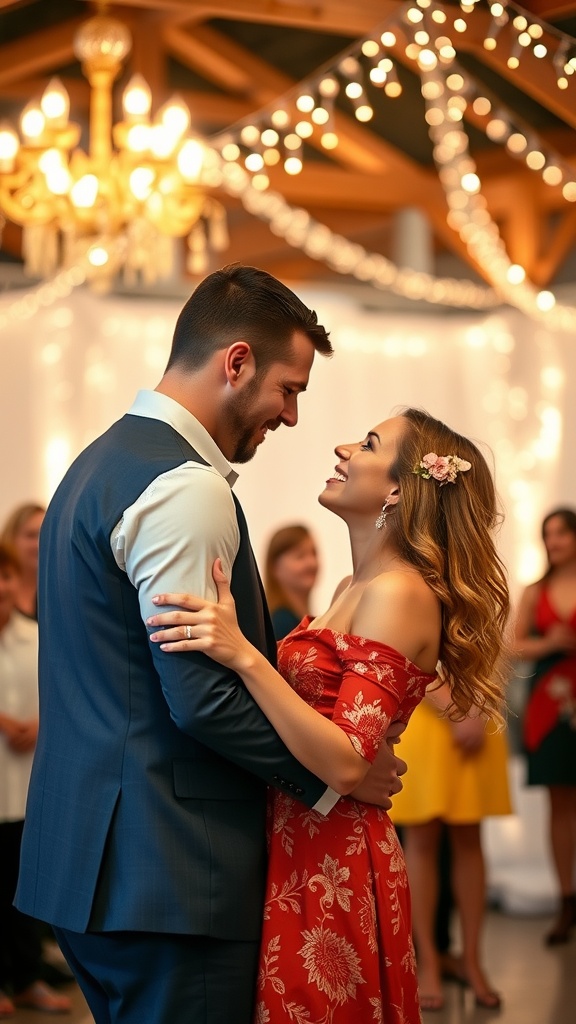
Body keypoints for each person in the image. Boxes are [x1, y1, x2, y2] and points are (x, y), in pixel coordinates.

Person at [14, 264, 401, 1024]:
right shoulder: (184, 488)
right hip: (171, 875)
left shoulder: (96, 466)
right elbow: (201, 699)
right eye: (290, 389)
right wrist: (339, 774)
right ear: (237, 363)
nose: (290, 417)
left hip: (90, 862)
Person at [147, 410, 510, 1024]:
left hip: (335, 860)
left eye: (368, 443)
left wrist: (243, 656)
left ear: (399, 489)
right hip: (297, 840)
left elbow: (345, 762)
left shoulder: (400, 593)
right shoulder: (353, 585)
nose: (343, 447)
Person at [390, 687, 512, 1011]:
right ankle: (428, 961)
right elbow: (408, 652)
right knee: (420, 840)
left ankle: (472, 961)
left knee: (471, 839)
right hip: (427, 713)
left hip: (479, 708)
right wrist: (454, 710)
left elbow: (496, 656)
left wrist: (480, 707)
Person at [0, 541, 71, 1018]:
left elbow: (64, 691)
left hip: (26, 785)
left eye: (5, 576)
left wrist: (40, 724)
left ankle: (25, 978)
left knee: (21, 887)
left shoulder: (36, 635)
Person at [512, 507, 576, 946]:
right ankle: (565, 900)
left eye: (562, 534)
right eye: (547, 534)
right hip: (551, 706)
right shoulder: (536, 591)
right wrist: (550, 643)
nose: (554, 542)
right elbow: (513, 645)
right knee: (560, 805)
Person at [264, 523, 320, 639]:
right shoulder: (281, 623)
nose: (312, 563)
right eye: (300, 556)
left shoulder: (303, 620)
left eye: (314, 553)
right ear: (275, 568)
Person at [0, 503, 45, 620]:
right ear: (12, 537)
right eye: (31, 536)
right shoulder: (4, 590)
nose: (38, 544)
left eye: (44, 536)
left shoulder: (57, 592)